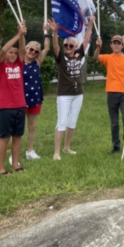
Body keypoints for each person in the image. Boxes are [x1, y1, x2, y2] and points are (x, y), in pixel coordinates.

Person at [51, 16, 95, 160]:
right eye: (66, 46)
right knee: (62, 121)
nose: (68, 48)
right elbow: (56, 47)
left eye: (71, 46)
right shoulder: (61, 58)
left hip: (78, 93)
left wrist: (90, 25)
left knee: (72, 121)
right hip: (64, 94)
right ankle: (56, 152)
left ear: (75, 47)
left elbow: (87, 39)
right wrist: (55, 33)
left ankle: (67, 147)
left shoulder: (78, 54)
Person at [0, 21, 27, 176]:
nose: (13, 54)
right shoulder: (0, 66)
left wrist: (22, 34)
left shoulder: (19, 65)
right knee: (5, 137)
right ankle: (0, 169)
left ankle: (15, 164)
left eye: (15, 53)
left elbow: (22, 49)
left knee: (18, 136)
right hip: (6, 107)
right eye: (10, 53)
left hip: (20, 105)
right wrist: (18, 34)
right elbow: (4, 49)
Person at [94, 33, 124, 155]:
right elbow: (96, 57)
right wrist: (98, 47)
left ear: (122, 45)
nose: (116, 45)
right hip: (111, 93)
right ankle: (116, 146)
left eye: (119, 43)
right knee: (114, 122)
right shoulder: (108, 57)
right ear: (111, 45)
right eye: (114, 43)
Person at [21, 24, 51, 161]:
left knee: (32, 126)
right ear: (26, 49)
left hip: (34, 98)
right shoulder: (19, 61)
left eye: (36, 51)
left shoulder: (37, 62)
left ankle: (30, 150)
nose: (33, 52)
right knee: (18, 127)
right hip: (20, 99)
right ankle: (14, 152)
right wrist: (21, 32)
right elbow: (20, 45)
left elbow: (47, 48)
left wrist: (46, 33)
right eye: (31, 49)